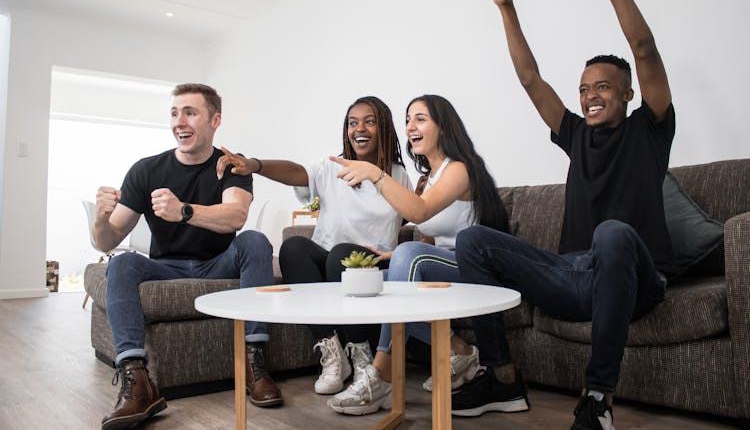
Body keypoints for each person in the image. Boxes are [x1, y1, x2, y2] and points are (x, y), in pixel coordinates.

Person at [452, 0, 675, 430]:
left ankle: (597, 399)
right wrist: (506, 8)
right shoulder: (576, 135)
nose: (591, 96)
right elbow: (530, 79)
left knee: (613, 232)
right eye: (584, 89)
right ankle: (502, 375)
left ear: (627, 94)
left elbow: (644, 51)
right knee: (472, 240)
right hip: (572, 278)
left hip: (633, 278)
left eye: (603, 88)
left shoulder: (651, 130)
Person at [93, 83, 282, 430]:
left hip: (218, 261)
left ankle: (253, 364)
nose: (180, 121)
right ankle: (138, 381)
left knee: (254, 241)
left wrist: (183, 211)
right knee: (120, 262)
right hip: (166, 267)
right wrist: (101, 219)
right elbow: (107, 241)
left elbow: (236, 217)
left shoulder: (230, 165)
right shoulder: (146, 171)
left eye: (190, 112)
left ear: (215, 120)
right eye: (175, 113)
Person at [326, 94, 509, 415]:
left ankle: (382, 373)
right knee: (373, 281)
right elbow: (425, 238)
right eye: (408, 119)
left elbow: (420, 212)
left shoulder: (460, 170)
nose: (411, 126)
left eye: (420, 118)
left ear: (443, 126)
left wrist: (375, 173)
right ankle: (462, 350)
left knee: (407, 257)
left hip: (475, 271)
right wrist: (392, 256)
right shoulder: (428, 179)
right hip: (445, 266)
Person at [217, 96, 412, 395]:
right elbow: (296, 172)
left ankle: (361, 355)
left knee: (341, 255)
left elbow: (409, 218)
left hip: (371, 265)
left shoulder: (397, 175)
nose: (359, 128)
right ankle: (333, 353)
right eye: (352, 122)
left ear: (383, 127)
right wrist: (254, 165)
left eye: (369, 121)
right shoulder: (331, 167)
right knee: (294, 246)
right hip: (331, 260)